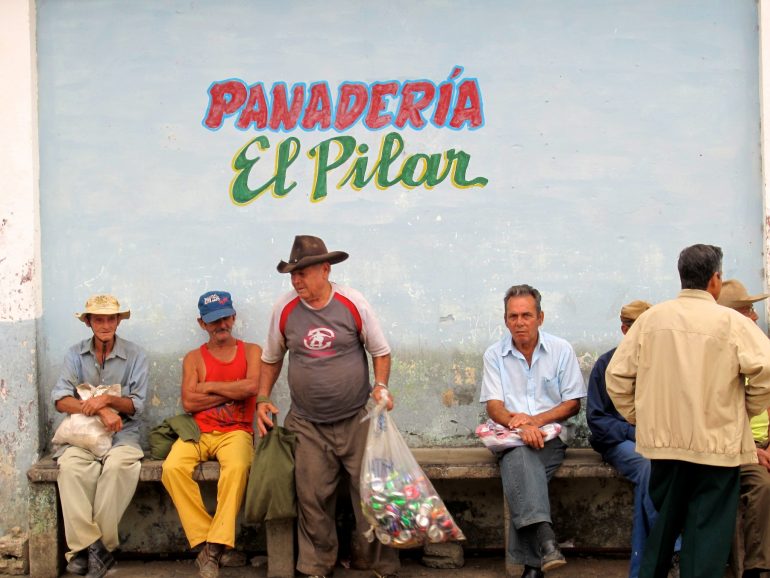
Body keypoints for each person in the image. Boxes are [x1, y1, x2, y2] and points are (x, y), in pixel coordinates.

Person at [606, 244, 770, 578]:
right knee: (706, 535)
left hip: (665, 446)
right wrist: (746, 410)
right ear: (715, 280)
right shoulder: (731, 322)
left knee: (664, 527)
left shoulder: (651, 320)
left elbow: (617, 376)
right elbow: (766, 370)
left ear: (682, 278)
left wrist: (641, 416)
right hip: (718, 448)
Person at [257, 235, 400, 578]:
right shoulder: (285, 308)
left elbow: (380, 351)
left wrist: (380, 387)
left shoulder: (353, 302)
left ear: (325, 269)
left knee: (370, 491)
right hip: (306, 423)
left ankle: (374, 562)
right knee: (312, 498)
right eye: (292, 273)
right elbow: (271, 358)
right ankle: (316, 565)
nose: (296, 280)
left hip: (357, 417)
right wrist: (263, 399)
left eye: (302, 272)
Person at [479, 284, 586, 578]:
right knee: (522, 461)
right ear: (505, 320)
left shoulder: (561, 349)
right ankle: (546, 544)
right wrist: (521, 427)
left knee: (520, 467)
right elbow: (495, 407)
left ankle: (530, 562)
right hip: (510, 436)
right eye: (513, 316)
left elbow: (573, 403)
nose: (519, 322)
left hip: (551, 437)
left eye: (526, 315)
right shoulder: (494, 355)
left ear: (540, 317)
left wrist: (534, 423)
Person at [161, 291, 261, 578]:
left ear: (234, 317)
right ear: (202, 323)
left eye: (225, 317)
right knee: (171, 468)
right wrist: (230, 390)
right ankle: (210, 542)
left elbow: (251, 388)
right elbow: (189, 403)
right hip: (198, 431)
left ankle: (213, 550)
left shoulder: (251, 351)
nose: (221, 325)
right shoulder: (194, 358)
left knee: (238, 467)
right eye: (214, 320)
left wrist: (207, 387)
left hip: (236, 433)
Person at [51, 294, 148, 578]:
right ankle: (95, 547)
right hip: (83, 435)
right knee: (69, 468)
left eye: (110, 319)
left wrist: (107, 401)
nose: (105, 324)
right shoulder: (74, 354)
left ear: (118, 321)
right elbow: (59, 399)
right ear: (89, 322)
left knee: (119, 467)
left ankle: (90, 551)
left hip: (124, 432)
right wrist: (96, 410)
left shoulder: (136, 355)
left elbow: (136, 404)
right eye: (98, 319)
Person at [587, 300, 667, 578]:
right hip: (621, 443)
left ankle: (642, 569)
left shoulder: (665, 365)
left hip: (660, 443)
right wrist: (635, 432)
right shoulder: (606, 364)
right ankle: (673, 546)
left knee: (656, 472)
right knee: (648, 466)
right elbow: (598, 422)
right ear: (625, 329)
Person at [717, 278, 770, 578]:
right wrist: (751, 449)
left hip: (762, 445)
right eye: (749, 309)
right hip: (734, 449)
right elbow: (722, 417)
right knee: (761, 485)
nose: (755, 316)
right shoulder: (722, 358)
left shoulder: (762, 351)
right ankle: (757, 568)